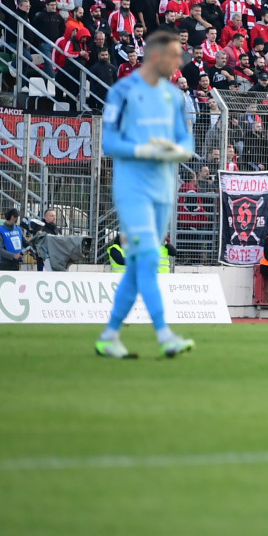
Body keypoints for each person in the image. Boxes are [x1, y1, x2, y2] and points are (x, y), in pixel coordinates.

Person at [93, 29, 197, 359]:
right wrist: (145, 150)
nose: (179, 62)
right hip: (133, 188)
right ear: (155, 56)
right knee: (150, 258)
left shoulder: (173, 96)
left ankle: (109, 336)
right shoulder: (123, 92)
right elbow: (109, 142)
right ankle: (165, 336)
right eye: (174, 56)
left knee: (139, 265)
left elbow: (187, 141)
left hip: (164, 188)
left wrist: (175, 150)